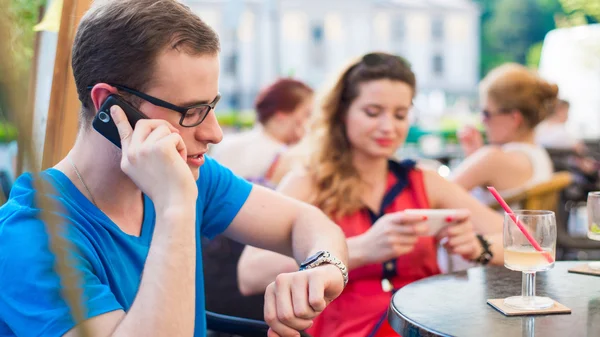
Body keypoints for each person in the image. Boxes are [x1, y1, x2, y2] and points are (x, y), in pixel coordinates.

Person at [0, 1, 349, 337]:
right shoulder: (29, 236)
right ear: (110, 105)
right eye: (191, 111)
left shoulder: (189, 174)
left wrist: (322, 267)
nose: (214, 132)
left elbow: (305, 222)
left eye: (212, 105)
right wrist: (176, 207)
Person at [237, 52, 505, 337]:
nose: (388, 127)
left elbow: (525, 238)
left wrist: (480, 248)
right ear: (342, 113)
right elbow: (250, 275)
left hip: (428, 323)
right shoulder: (309, 182)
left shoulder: (422, 181)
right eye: (373, 113)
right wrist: (363, 247)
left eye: (400, 115)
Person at [204, 78, 313, 322]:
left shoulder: (230, 145)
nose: (308, 124)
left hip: (214, 256)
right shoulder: (290, 157)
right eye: (306, 115)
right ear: (283, 116)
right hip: (254, 252)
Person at [452, 63, 555, 205]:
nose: (482, 120)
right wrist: (475, 156)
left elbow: (435, 194)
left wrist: (478, 158)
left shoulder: (493, 158)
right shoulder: (539, 155)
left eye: (486, 113)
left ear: (514, 119)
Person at [212, 78, 313, 187]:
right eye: (307, 114)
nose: (311, 121)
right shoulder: (289, 158)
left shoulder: (227, 144)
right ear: (281, 115)